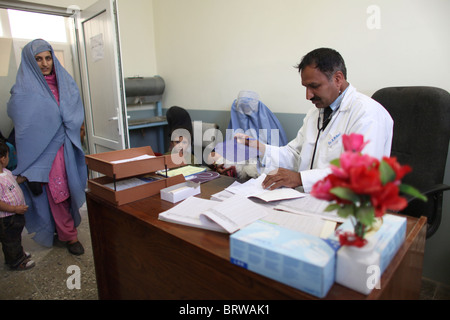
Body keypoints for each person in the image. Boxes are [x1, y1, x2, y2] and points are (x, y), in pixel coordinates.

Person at [237, 48, 393, 193]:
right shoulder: (316, 113)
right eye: (305, 87)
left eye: (314, 86)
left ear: (338, 78)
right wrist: (261, 149)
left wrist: (299, 178)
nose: (308, 96)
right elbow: (295, 154)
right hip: (311, 200)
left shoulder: (367, 113)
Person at [7, 39, 87, 255]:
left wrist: (65, 120)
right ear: (30, 62)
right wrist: (50, 118)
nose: (44, 63)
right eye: (38, 59)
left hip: (66, 146)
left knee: (68, 188)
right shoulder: (23, 89)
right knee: (53, 192)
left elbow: (73, 110)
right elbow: (20, 115)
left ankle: (61, 230)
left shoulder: (65, 82)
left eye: (48, 57)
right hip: (41, 151)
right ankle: (70, 236)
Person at [0, 141, 35, 270]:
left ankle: (16, 254)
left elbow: (16, 180)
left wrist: (26, 177)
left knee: (15, 236)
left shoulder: (5, 172)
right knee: (11, 239)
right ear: (3, 158)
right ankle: (17, 261)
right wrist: (15, 209)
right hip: (7, 217)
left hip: (14, 215)